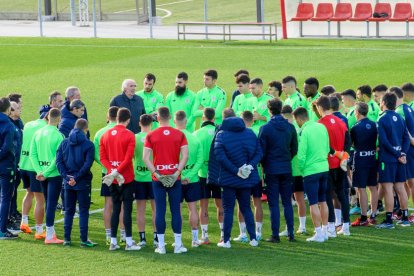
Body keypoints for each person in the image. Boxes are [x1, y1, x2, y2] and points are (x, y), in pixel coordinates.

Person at [143, 107, 189, 254]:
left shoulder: (151, 135)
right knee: (176, 209)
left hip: (159, 179)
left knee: (160, 210)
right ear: (170, 117)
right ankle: (178, 245)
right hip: (174, 178)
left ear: (157, 118)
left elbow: (145, 158)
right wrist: (176, 174)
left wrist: (157, 174)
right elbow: (185, 156)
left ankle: (161, 246)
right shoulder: (179, 134)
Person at [214, 116, 262, 248]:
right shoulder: (250, 133)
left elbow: (220, 157)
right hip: (246, 179)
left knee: (228, 209)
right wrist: (249, 166)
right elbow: (259, 152)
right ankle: (253, 239)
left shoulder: (221, 135)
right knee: (246, 208)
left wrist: (236, 171)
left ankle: (226, 241)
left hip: (229, 179)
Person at [100, 108, 141, 251]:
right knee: (127, 210)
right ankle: (129, 242)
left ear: (116, 118)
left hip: (113, 179)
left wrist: (112, 171)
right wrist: (118, 171)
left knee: (115, 208)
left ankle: (113, 241)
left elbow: (103, 157)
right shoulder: (130, 135)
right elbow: (128, 157)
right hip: (126, 178)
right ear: (128, 120)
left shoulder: (105, 135)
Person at [259, 98, 297, 243]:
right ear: (281, 109)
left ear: (269, 110)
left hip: (271, 169)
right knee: (287, 201)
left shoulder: (266, 128)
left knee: (273, 203)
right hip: (286, 168)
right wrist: (286, 158)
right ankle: (291, 233)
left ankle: (275, 234)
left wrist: (266, 163)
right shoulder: (290, 127)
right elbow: (294, 148)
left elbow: (261, 151)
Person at [56, 119, 96, 247]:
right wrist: (77, 178)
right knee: (84, 211)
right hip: (82, 183)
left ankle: (67, 239)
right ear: (86, 129)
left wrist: (67, 178)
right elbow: (87, 165)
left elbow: (59, 162)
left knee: (68, 210)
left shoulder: (64, 143)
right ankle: (83, 240)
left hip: (68, 183)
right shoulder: (89, 145)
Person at [316, 95, 351, 237]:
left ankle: (331, 227)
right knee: (342, 194)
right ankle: (346, 227)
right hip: (341, 163)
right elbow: (348, 142)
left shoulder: (320, 123)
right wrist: (344, 157)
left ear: (319, 108)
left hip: (328, 164)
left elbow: (324, 145)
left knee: (328, 195)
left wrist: (335, 154)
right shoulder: (340, 121)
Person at [293, 107, 330, 243]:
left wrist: (302, 170)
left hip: (310, 171)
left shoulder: (304, 131)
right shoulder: (321, 127)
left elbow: (301, 155)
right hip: (324, 168)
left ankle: (318, 233)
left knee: (313, 203)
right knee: (323, 201)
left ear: (298, 119)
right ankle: (325, 231)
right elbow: (327, 147)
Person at [30, 108, 65, 244]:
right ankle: (50, 234)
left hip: (40, 174)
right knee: (51, 203)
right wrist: (46, 172)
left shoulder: (37, 133)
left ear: (48, 117)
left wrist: (39, 171)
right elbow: (58, 159)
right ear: (59, 119)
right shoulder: (59, 136)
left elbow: (33, 154)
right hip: (53, 175)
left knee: (46, 201)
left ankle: (49, 232)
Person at [376, 93, 410, 228]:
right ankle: (405, 218)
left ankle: (389, 221)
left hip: (388, 159)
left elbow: (383, 141)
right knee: (400, 187)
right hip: (400, 159)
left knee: (388, 188)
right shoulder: (400, 118)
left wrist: (397, 154)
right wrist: (402, 153)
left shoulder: (382, 119)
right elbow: (406, 138)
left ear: (383, 102)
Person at [93, 106, 123, 245]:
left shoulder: (100, 133)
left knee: (108, 204)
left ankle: (108, 235)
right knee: (122, 205)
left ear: (108, 116)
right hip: (122, 174)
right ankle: (123, 235)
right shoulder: (124, 132)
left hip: (107, 174)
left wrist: (108, 167)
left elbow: (96, 155)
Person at [205, 108, 236, 243]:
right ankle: (248, 234)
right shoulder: (242, 131)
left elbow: (216, 155)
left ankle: (213, 236)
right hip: (236, 174)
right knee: (240, 205)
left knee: (213, 205)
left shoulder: (220, 132)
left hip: (218, 175)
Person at [233, 111, 264, 242]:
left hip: (242, 173)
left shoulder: (238, 134)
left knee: (242, 203)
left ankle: (243, 233)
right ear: (252, 120)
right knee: (257, 203)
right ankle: (258, 232)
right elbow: (261, 152)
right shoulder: (257, 131)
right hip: (256, 172)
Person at [174, 111, 203, 248]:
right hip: (193, 180)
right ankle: (195, 239)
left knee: (177, 209)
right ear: (186, 122)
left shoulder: (172, 139)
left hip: (176, 179)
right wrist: (190, 176)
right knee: (193, 208)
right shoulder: (194, 138)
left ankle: (178, 240)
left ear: (175, 122)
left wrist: (180, 175)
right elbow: (200, 160)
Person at [193, 108, 220, 245]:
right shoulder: (219, 132)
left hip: (202, 174)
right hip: (217, 174)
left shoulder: (196, 134)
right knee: (220, 205)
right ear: (214, 119)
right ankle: (222, 235)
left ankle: (205, 236)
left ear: (203, 118)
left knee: (203, 206)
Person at [18, 114, 47, 239]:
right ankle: (40, 230)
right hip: (34, 167)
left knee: (29, 193)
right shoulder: (46, 128)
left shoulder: (29, 124)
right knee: (40, 199)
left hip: (23, 164)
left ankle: (24, 222)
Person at [350, 103, 378, 227]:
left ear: (357, 112)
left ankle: (363, 217)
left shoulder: (355, 127)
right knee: (373, 187)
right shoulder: (374, 125)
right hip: (372, 158)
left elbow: (351, 144)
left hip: (360, 159)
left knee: (361, 188)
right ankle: (373, 215)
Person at [281, 105, 307, 235]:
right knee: (299, 198)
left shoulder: (289, 130)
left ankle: (288, 228)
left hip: (290, 169)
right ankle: (302, 227)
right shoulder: (298, 129)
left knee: (288, 200)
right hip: (300, 170)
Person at [133, 114, 157, 247]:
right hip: (153, 177)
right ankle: (156, 238)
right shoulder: (154, 136)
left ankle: (142, 239)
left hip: (139, 177)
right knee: (156, 209)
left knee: (140, 209)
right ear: (152, 124)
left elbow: (131, 155)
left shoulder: (135, 138)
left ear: (139, 123)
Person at [392, 87, 414, 224]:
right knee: (407, 182)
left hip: (408, 151)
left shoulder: (399, 111)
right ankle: (402, 209)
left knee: (411, 182)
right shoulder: (408, 108)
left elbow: (404, 133)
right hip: (410, 150)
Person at [0, 97, 18, 239]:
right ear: (8, 109)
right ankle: (2, 230)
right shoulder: (9, 125)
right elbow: (7, 148)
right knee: (6, 198)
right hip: (5, 166)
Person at [7, 102, 23, 233]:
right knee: (7, 193)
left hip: (16, 164)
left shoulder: (18, 123)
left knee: (12, 192)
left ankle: (12, 214)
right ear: (10, 111)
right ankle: (7, 219)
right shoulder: (9, 126)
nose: (20, 109)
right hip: (9, 164)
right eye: (17, 108)